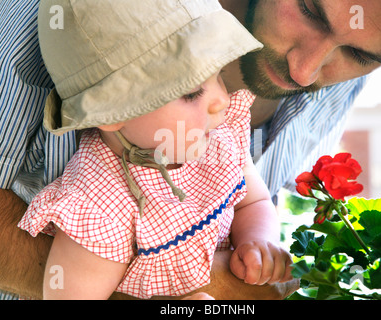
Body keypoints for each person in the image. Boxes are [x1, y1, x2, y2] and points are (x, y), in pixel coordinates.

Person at [0, 0, 381, 299]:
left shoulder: (253, 114)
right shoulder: (82, 14)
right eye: (311, 10)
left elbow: (249, 200)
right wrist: (200, 287)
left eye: (359, 54)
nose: (304, 69)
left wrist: (260, 249)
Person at [16, 0, 293, 300]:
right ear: (111, 111)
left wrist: (259, 242)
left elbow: (251, 202)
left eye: (218, 74)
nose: (221, 100)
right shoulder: (103, 207)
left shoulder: (216, 134)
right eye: (191, 93)